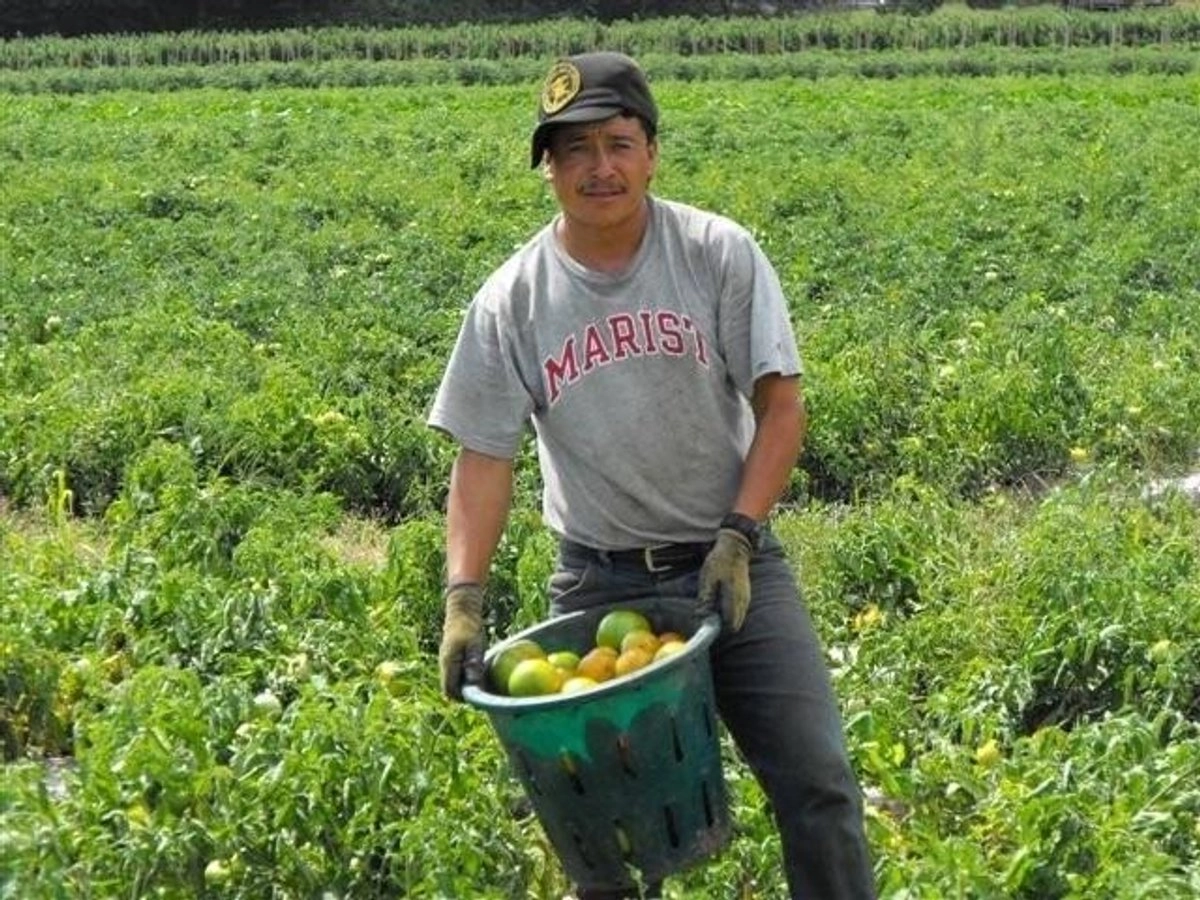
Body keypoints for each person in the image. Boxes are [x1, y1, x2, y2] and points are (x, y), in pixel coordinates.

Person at [430, 51, 876, 900]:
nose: (599, 168)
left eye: (618, 143)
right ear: (549, 168)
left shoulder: (716, 253)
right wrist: (463, 600)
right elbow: (483, 459)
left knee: (818, 783)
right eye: (574, 151)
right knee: (597, 827)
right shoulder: (510, 301)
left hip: (732, 562)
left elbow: (782, 406)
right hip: (598, 583)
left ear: (651, 152)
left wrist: (739, 537)